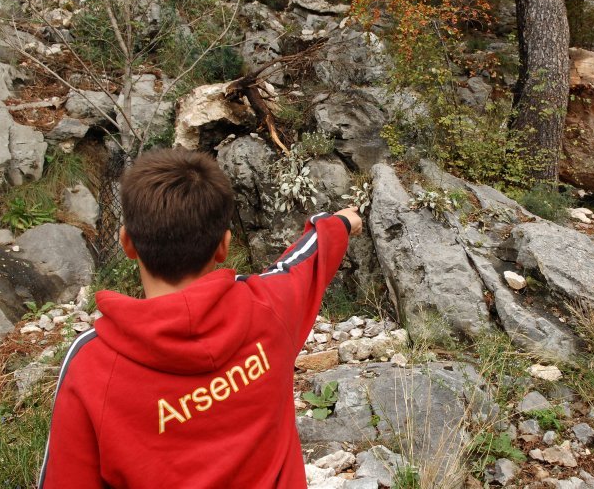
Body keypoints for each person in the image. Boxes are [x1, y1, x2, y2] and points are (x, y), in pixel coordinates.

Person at [39, 148, 362, 488]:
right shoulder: (269, 308)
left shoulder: (91, 366)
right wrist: (340, 222)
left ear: (127, 243)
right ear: (223, 247)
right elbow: (306, 261)